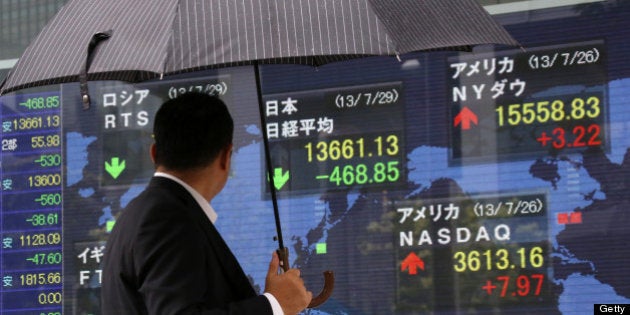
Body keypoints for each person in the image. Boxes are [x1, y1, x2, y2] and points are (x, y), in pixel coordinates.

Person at [101, 92, 312, 314]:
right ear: (225, 157)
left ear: (154, 154)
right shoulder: (167, 219)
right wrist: (274, 305)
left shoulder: (139, 213)